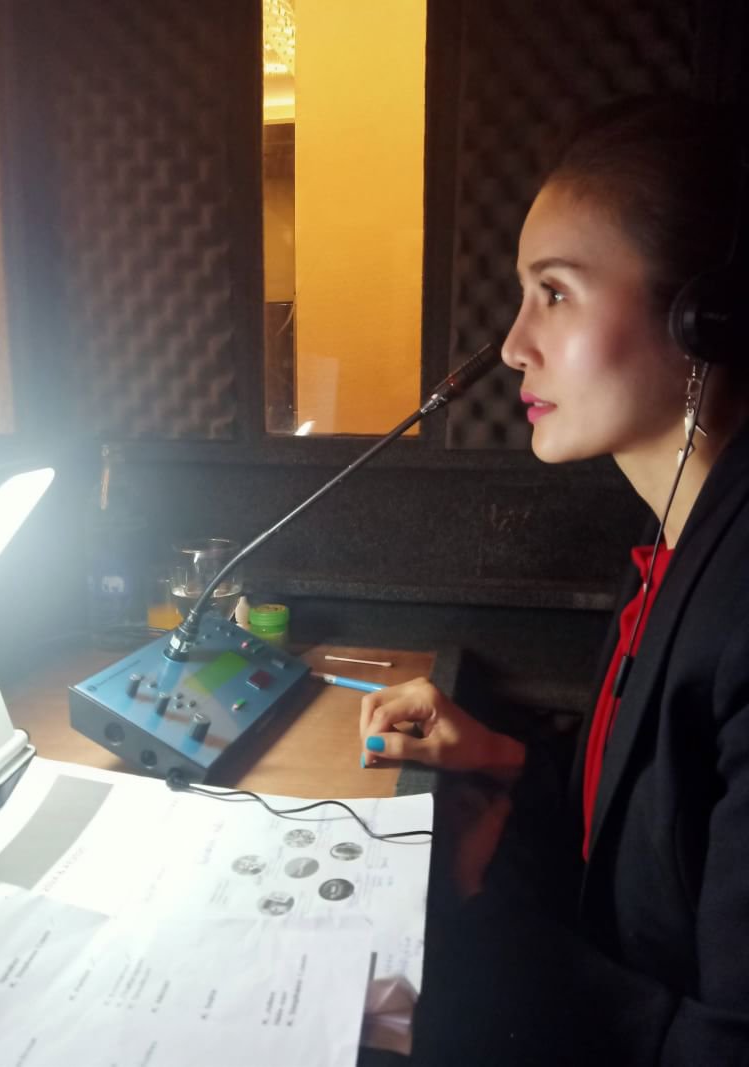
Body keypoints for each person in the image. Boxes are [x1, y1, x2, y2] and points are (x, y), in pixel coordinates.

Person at [359, 95, 749, 1064]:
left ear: (705, 316)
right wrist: (502, 761)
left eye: (556, 292)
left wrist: (460, 934)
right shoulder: (675, 544)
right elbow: (646, 844)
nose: (511, 345)